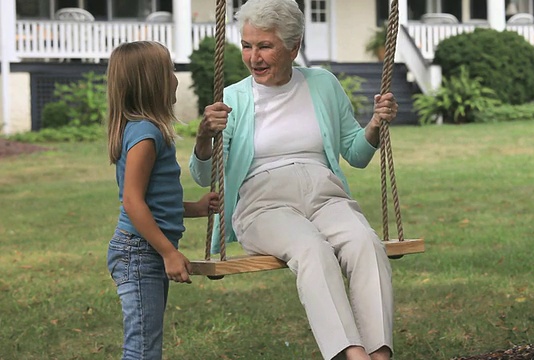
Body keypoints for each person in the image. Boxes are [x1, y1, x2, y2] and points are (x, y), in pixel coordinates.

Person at [190, 0, 398, 359]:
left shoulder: (323, 85)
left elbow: (357, 154)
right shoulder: (233, 99)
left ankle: (379, 355)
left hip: (326, 195)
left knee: (366, 242)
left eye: (265, 46)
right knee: (312, 250)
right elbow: (205, 176)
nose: (254, 57)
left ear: (293, 47)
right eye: (247, 45)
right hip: (263, 204)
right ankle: (353, 355)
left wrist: (376, 124)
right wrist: (203, 136)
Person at [105, 40, 220, 360]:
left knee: (146, 343)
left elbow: (154, 203)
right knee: (142, 348)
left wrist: (196, 209)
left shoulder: (147, 130)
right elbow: (132, 202)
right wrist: (169, 252)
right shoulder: (146, 134)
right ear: (153, 82)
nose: (176, 77)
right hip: (140, 252)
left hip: (144, 249)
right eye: (169, 70)